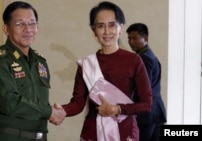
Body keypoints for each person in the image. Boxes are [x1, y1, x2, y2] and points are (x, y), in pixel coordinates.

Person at [50, 1, 152, 141]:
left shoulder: (134, 61)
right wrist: (61, 110)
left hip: (124, 132)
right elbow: (78, 103)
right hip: (93, 132)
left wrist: (117, 109)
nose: (107, 31)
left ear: (121, 27)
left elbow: (147, 104)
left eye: (112, 25)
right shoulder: (86, 65)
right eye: (100, 26)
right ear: (93, 30)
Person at [0, 1, 65, 141]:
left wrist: (54, 111)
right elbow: (9, 102)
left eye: (32, 23)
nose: (28, 29)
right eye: (20, 24)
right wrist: (49, 112)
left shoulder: (40, 61)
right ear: (6, 29)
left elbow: (38, 102)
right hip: (9, 137)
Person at [126, 23, 167, 141]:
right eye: (129, 38)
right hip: (155, 112)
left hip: (146, 115)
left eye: (134, 38)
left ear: (146, 38)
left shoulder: (144, 58)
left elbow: (143, 88)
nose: (131, 42)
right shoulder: (149, 55)